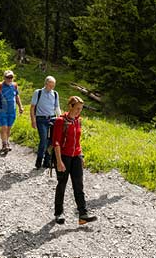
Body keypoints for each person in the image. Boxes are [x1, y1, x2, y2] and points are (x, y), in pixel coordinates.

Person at [51, 96, 97, 225]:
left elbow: (78, 140)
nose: (79, 111)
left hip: (76, 156)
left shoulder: (78, 121)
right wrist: (59, 161)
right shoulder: (60, 121)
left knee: (79, 185)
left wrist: (80, 155)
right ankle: (58, 213)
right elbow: (56, 143)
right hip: (63, 156)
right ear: (70, 107)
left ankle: (83, 215)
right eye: (77, 108)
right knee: (62, 184)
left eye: (81, 109)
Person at [30, 76, 61, 169]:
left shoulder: (55, 94)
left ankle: (47, 161)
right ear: (46, 84)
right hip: (41, 119)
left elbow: (57, 107)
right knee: (43, 140)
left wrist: (60, 119)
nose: (51, 87)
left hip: (53, 119)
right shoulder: (38, 92)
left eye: (53, 86)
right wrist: (33, 120)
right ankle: (39, 161)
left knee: (51, 141)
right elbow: (32, 107)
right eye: (50, 85)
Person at [0, 70, 22, 153]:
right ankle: (4, 144)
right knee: (4, 127)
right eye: (8, 77)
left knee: (8, 128)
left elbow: (17, 96)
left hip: (12, 110)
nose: (9, 79)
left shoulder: (14, 86)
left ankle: (6, 141)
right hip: (1, 110)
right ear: (4, 77)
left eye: (11, 77)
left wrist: (20, 107)